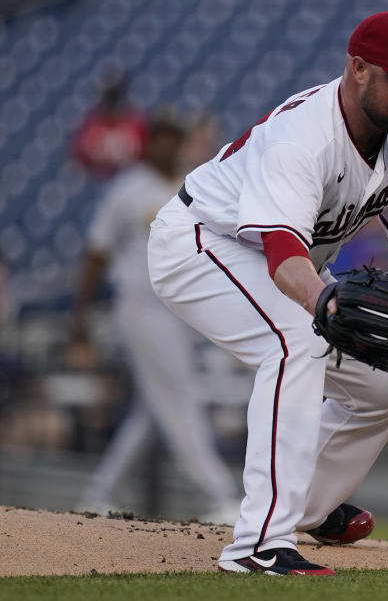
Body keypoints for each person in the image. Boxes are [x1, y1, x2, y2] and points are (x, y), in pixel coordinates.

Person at [147, 10, 388, 576]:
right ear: (358, 68)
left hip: (282, 264)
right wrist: (321, 302)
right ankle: (258, 544)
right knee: (297, 341)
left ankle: (308, 506)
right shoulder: (303, 138)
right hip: (199, 241)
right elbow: (284, 248)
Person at [69, 117, 241, 520]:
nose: (167, 146)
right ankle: (216, 495)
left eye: (173, 138)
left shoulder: (189, 186)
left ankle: (97, 493)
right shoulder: (127, 190)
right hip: (142, 306)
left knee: (153, 409)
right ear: (147, 145)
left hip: (182, 308)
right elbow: (96, 255)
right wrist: (81, 317)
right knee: (180, 397)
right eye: (159, 139)